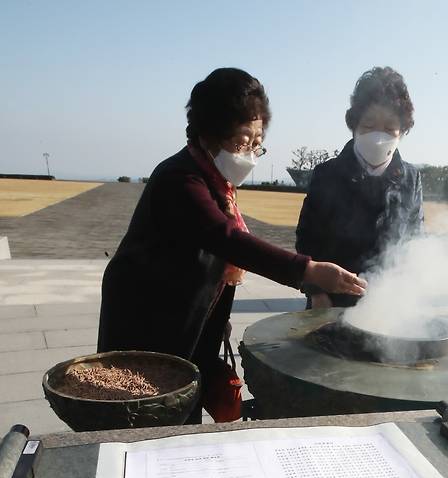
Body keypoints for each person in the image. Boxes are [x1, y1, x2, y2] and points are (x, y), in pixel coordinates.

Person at [97, 68, 365, 417]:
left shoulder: (218, 185)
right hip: (146, 324)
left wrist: (215, 319)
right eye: (241, 142)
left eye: (257, 144)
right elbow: (226, 240)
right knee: (146, 415)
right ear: (210, 133)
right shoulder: (179, 178)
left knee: (181, 409)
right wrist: (308, 270)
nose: (250, 155)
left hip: (184, 324)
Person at [295, 66, 423, 309]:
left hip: (387, 305)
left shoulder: (411, 178)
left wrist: (408, 291)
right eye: (368, 125)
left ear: (402, 130)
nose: (378, 136)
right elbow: (307, 238)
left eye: (389, 128)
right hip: (331, 301)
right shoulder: (327, 173)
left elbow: (415, 239)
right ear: (354, 124)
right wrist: (315, 291)